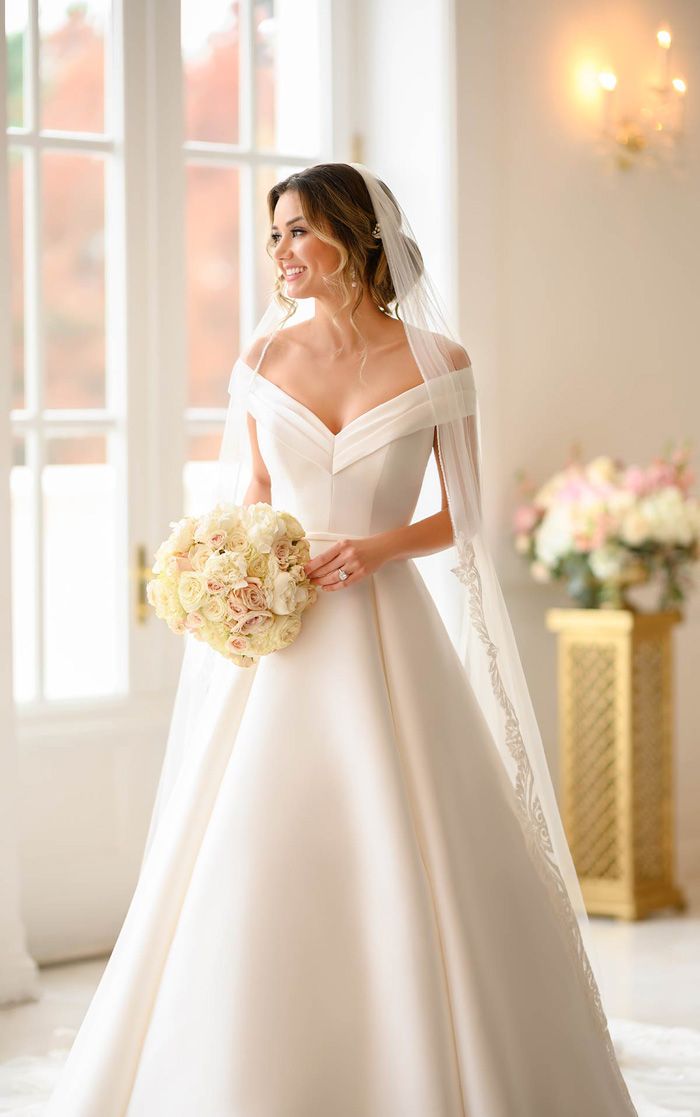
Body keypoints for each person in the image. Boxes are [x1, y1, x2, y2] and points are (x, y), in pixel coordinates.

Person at [41, 162, 641, 1116]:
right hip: (284, 636)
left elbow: (463, 516)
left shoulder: (440, 360)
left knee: (411, 840)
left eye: (297, 232)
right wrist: (237, 570)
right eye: (273, 234)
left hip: (386, 632)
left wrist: (373, 547)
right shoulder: (263, 361)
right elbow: (253, 500)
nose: (279, 252)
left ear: (357, 238)